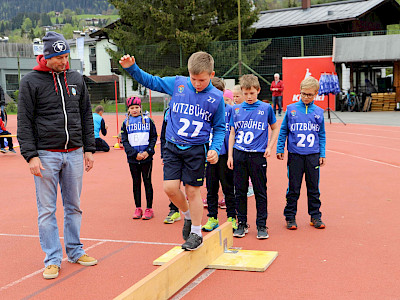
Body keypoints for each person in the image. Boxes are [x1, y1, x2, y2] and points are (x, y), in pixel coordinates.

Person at [119, 51, 225, 251]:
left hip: (196, 148)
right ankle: (186, 215)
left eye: (202, 80)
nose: (197, 84)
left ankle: (196, 232)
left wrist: (215, 149)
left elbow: (219, 127)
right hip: (173, 146)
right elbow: (152, 82)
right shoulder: (179, 84)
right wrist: (132, 68)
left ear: (211, 75)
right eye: (193, 79)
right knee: (169, 188)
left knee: (192, 191)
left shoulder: (216, 98)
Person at [17, 31, 97, 280]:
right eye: (60, 57)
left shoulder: (75, 78)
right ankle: (52, 259)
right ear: (47, 56)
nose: (65, 61)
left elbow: (85, 114)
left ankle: (74, 250)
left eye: (67, 56)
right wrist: (30, 156)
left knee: (74, 206)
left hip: (74, 153)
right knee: (46, 210)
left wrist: (89, 148)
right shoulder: (30, 82)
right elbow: (24, 122)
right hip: (46, 155)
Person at [227, 74, 279, 239]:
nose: (249, 97)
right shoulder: (236, 110)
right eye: (246, 93)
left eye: (252, 93)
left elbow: (275, 128)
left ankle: (262, 225)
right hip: (239, 154)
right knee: (240, 191)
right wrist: (230, 155)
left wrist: (270, 147)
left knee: (260, 191)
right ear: (242, 92)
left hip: (257, 156)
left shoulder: (266, 109)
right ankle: (242, 223)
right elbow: (232, 133)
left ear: (258, 91)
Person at [276, 76, 326, 230]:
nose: (306, 97)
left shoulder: (319, 112)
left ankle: (315, 216)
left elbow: (322, 134)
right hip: (295, 155)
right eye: (303, 94)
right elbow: (283, 130)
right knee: (294, 187)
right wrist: (280, 148)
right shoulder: (291, 109)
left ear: (316, 94)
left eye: (309, 95)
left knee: (313, 187)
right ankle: (290, 216)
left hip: (313, 155)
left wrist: (322, 153)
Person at [202, 77, 237, 232]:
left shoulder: (230, 111)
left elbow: (233, 133)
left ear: (222, 93)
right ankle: (212, 218)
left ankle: (231, 218)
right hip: (208, 156)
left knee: (228, 187)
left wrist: (231, 155)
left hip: (223, 155)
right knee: (211, 188)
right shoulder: (203, 109)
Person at [121, 96, 157, 220]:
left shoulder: (148, 121)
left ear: (140, 108)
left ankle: (149, 208)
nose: (134, 110)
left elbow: (153, 137)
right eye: (132, 108)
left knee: (147, 182)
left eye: (137, 107)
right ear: (128, 109)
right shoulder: (125, 123)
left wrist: (148, 152)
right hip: (133, 159)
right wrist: (133, 154)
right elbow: (124, 141)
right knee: (136, 183)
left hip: (146, 158)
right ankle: (138, 208)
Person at [232, 84, 255, 198]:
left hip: (248, 144)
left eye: (237, 96)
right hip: (236, 143)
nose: (235, 99)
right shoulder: (234, 109)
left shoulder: (247, 109)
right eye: (234, 96)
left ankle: (249, 186)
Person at [160, 106, 182, 224]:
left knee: (191, 187)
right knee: (172, 185)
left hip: (190, 151)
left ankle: (192, 214)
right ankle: (174, 210)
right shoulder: (167, 111)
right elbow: (163, 134)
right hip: (171, 152)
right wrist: (163, 153)